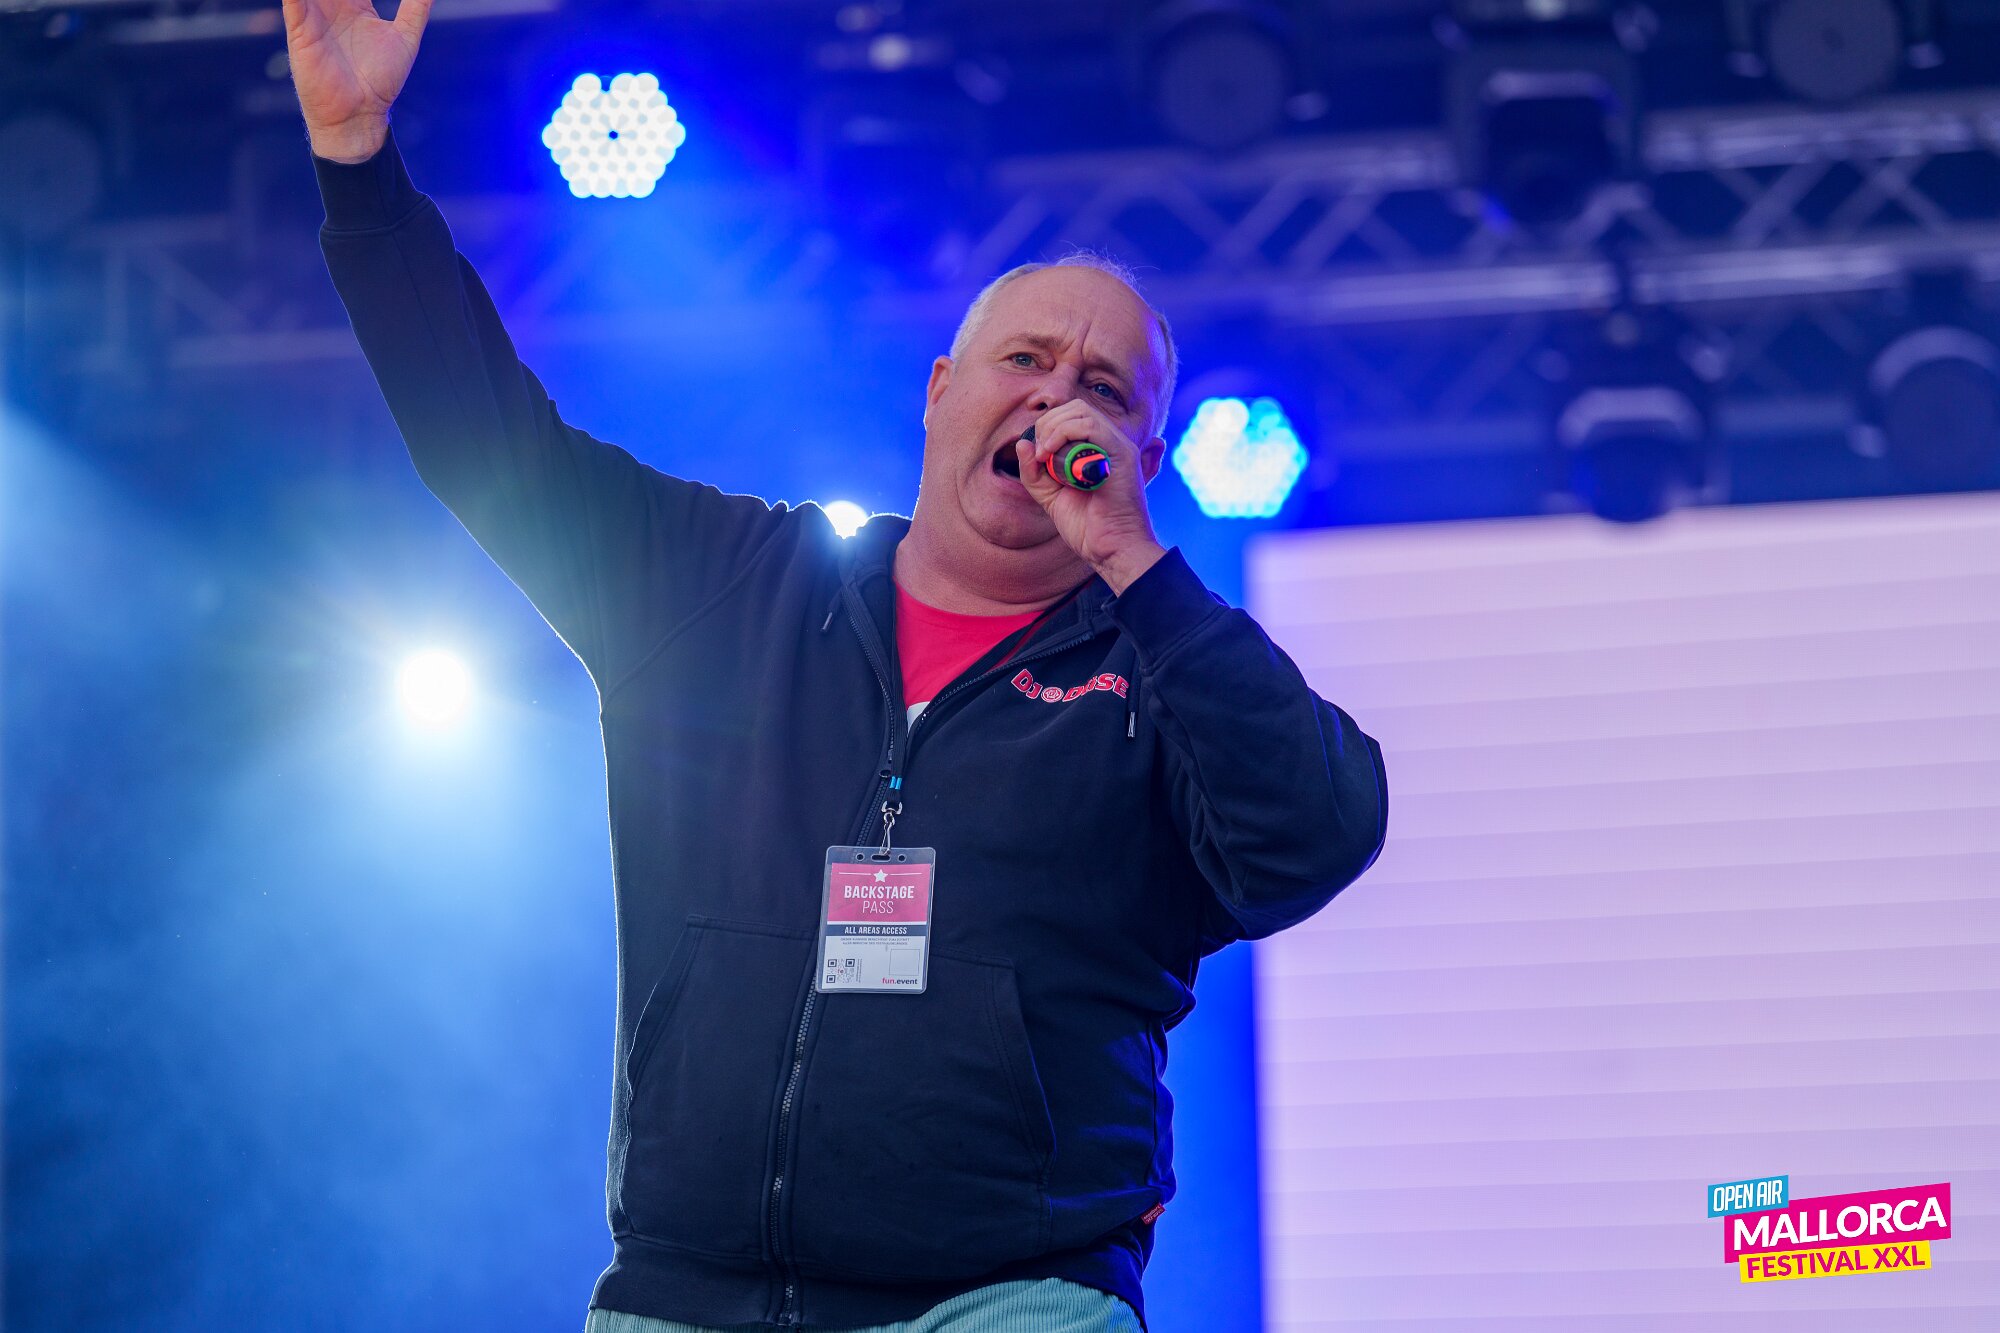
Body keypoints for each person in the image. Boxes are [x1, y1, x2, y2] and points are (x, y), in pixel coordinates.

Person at [282, 0, 1389, 1327]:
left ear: (1145, 459)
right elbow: (487, 439)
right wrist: (358, 165)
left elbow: (1316, 834)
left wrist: (1133, 563)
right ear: (940, 390)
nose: (1055, 399)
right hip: (688, 1289)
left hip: (1013, 1294)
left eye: (1105, 388)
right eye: (1024, 360)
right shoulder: (733, 584)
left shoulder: (1161, 677)